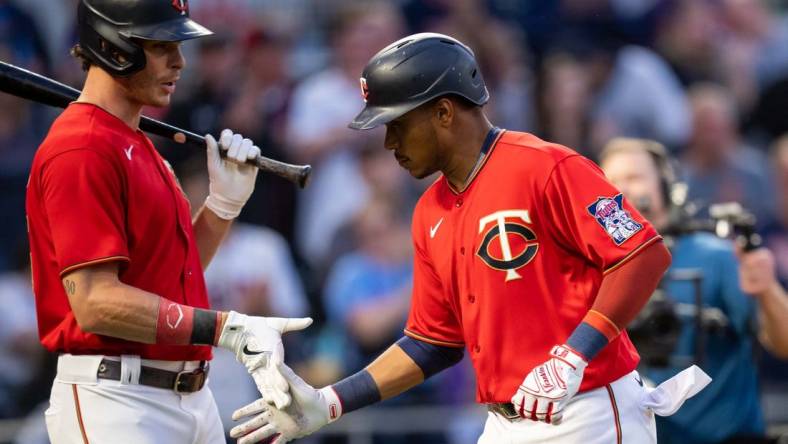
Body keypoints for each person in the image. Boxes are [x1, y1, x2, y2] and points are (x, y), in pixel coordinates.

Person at [230, 33, 707, 444]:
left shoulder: (545, 165)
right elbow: (430, 343)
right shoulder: (429, 210)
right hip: (503, 422)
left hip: (589, 411)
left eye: (397, 124)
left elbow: (643, 255)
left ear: (442, 112)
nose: (389, 142)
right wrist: (331, 401)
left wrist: (572, 354)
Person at [26, 1, 310, 442]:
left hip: (190, 396)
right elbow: (95, 301)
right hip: (118, 401)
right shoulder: (81, 147)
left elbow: (172, 276)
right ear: (113, 46)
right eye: (162, 46)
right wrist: (226, 328)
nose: (179, 62)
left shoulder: (136, 142)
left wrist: (222, 208)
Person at [599, 138, 766, 443]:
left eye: (634, 178)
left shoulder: (716, 256)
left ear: (666, 186)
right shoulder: (595, 269)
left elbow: (772, 336)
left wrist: (766, 288)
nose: (620, 191)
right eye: (610, 183)